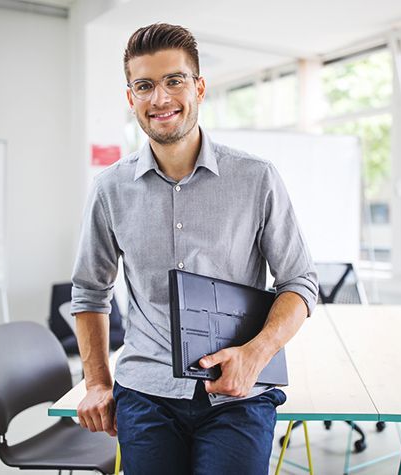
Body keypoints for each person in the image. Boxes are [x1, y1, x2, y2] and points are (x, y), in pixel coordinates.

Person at [69, 23, 318, 474]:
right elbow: (89, 292)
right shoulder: (109, 190)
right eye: (144, 86)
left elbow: (300, 282)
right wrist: (97, 382)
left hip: (237, 393)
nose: (160, 99)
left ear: (199, 87)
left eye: (174, 81)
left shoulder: (256, 178)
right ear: (131, 99)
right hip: (146, 392)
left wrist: (255, 354)